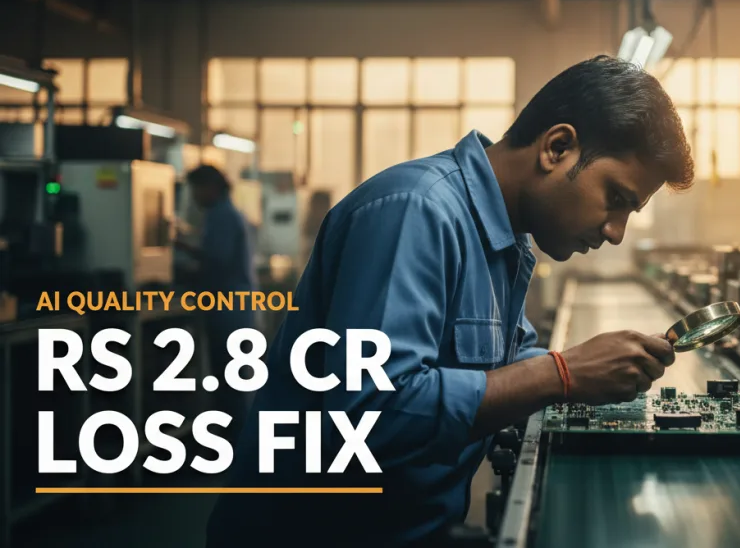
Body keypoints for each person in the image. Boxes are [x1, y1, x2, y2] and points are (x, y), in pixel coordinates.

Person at [205, 56, 694, 547]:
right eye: (616, 198)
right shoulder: (413, 212)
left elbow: (497, 361)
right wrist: (561, 373)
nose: (615, 232)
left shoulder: (506, 239)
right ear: (557, 147)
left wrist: (593, 367)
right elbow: (367, 418)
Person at [176, 165, 258, 418]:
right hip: (236, 309)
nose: (195, 197)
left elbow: (217, 260)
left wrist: (183, 259)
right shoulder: (226, 214)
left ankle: (237, 445)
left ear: (211, 188)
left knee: (230, 384)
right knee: (234, 382)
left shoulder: (221, 216)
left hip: (229, 310)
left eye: (196, 190)